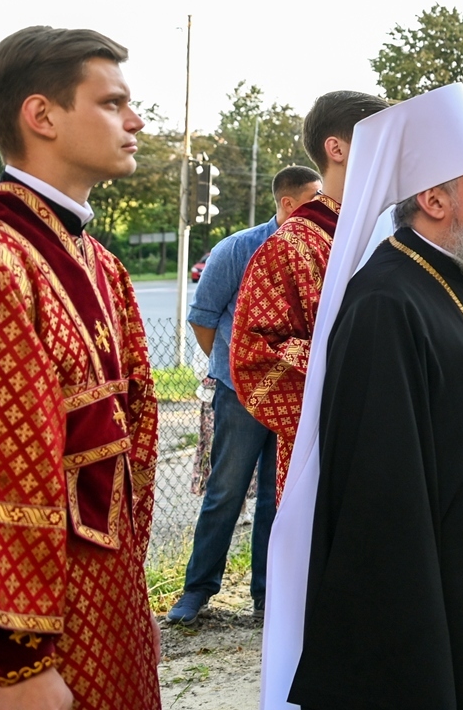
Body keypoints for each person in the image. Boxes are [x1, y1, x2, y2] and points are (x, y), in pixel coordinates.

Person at [257, 84, 463, 709]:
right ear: (434, 200)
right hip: (447, 591)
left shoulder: (445, 277)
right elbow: (383, 490)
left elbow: (450, 411)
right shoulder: (386, 300)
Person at [0, 27, 160, 709]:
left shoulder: (102, 263)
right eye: (112, 103)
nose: (135, 121)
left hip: (109, 597)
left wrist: (133, 601)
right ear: (42, 115)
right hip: (30, 632)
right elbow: (0, 468)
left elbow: (137, 431)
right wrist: (18, 659)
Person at [167, 165, 323, 625]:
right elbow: (203, 318)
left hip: (292, 394)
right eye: (314, 200)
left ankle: (267, 596)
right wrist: (232, 370)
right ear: (288, 204)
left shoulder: (314, 247)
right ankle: (196, 591)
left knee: (278, 497)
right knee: (225, 491)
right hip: (239, 394)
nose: (324, 207)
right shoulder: (238, 248)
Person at [231, 91, 387, 499]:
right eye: (380, 138)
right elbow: (256, 355)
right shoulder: (292, 245)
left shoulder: (396, 229)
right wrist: (360, 376)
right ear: (336, 149)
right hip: (330, 446)